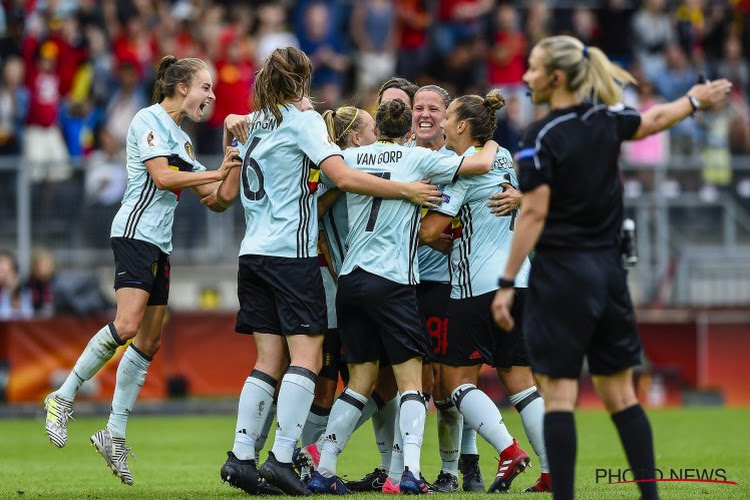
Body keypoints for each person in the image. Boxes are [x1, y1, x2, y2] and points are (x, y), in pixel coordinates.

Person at [492, 35, 732, 500]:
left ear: (555, 77)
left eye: (534, 68)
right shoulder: (606, 120)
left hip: (561, 277)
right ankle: (650, 497)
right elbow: (654, 119)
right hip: (609, 276)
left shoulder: (539, 135)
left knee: (559, 396)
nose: (525, 77)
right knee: (622, 394)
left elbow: (535, 213)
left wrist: (506, 282)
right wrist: (694, 100)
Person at [214, 47, 442, 497]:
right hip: (290, 253)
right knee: (308, 357)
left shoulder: (254, 123)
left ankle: (240, 458)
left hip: (251, 253)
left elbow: (223, 194)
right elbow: (343, 176)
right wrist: (405, 189)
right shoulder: (303, 122)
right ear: (302, 81)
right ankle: (281, 460)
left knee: (268, 360)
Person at [43, 55, 241, 486]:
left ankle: (113, 432)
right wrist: (216, 170)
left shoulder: (185, 142)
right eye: (205, 87)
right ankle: (63, 395)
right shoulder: (147, 119)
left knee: (149, 341)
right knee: (128, 325)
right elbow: (163, 178)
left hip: (160, 244)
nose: (211, 95)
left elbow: (218, 200)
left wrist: (237, 158)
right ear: (182, 86)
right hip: (135, 234)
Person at [306, 98, 499, 495]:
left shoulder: (353, 157)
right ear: (407, 129)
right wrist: (492, 140)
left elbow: (320, 191)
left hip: (351, 281)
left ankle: (324, 470)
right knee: (412, 385)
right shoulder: (418, 159)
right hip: (392, 282)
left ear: (376, 127)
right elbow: (479, 164)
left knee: (359, 384)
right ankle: (409, 472)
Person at [420, 89, 550, 493]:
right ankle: (552, 471)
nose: (439, 123)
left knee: (456, 383)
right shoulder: (504, 158)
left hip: (475, 288)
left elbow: (428, 232)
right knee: (523, 385)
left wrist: (426, 226)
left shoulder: (462, 169)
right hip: (519, 282)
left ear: (461, 126)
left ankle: (509, 450)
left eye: (446, 117)